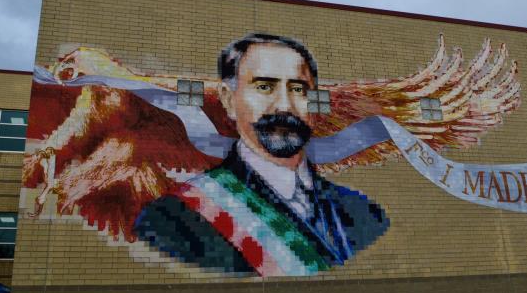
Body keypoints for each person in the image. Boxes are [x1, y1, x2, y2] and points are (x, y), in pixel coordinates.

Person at [134, 33, 389, 276]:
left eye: (299, 89)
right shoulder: (172, 220)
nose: (284, 105)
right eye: (265, 87)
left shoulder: (365, 213)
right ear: (228, 100)